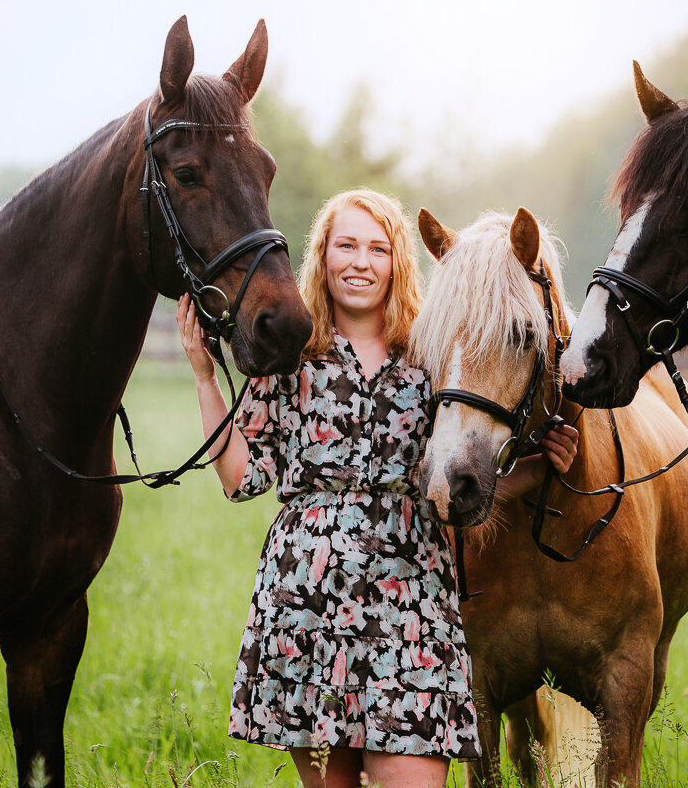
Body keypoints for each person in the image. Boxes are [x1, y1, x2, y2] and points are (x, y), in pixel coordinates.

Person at [176, 188, 578, 788]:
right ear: (323, 256)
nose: (360, 261)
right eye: (346, 245)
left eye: (377, 248)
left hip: (408, 603)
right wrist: (206, 379)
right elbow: (242, 478)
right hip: (306, 602)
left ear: (398, 262)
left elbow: (459, 479)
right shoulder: (292, 357)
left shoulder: (431, 352)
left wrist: (543, 466)